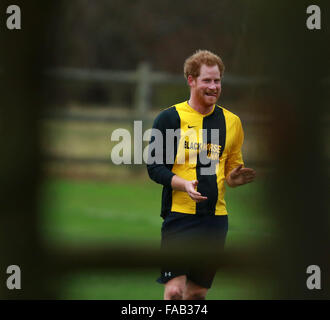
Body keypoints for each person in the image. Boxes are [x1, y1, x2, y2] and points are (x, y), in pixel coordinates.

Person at [147, 50, 256, 300]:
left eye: (217, 80)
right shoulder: (169, 118)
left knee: (196, 295)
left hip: (215, 221)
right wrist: (184, 184)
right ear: (191, 80)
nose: (214, 86)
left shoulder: (232, 122)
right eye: (207, 80)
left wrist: (234, 179)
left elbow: (230, 169)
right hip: (179, 218)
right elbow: (155, 167)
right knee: (174, 291)